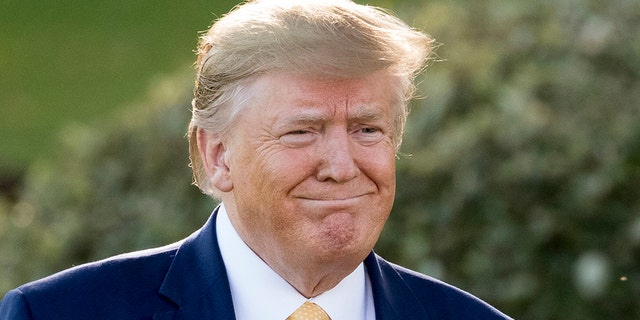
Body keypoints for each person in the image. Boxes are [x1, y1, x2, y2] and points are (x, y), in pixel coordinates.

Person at [0, 0, 511, 319]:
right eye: (302, 131)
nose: (342, 165)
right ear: (217, 154)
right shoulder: (59, 313)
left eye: (367, 129)